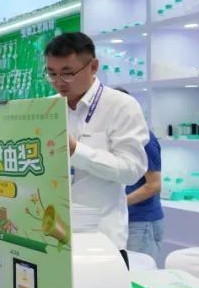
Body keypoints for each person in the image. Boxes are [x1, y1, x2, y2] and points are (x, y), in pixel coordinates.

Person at [44, 32, 148, 262]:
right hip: (53, 239)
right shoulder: (48, 108)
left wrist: (76, 150)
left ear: (93, 67)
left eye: (67, 73)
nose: (59, 82)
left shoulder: (121, 106)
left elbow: (132, 170)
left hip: (102, 243)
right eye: (52, 74)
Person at [116, 88, 165, 261]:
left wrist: (119, 202)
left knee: (140, 271)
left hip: (141, 222)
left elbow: (154, 185)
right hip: (124, 219)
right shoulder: (118, 137)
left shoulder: (144, 138)